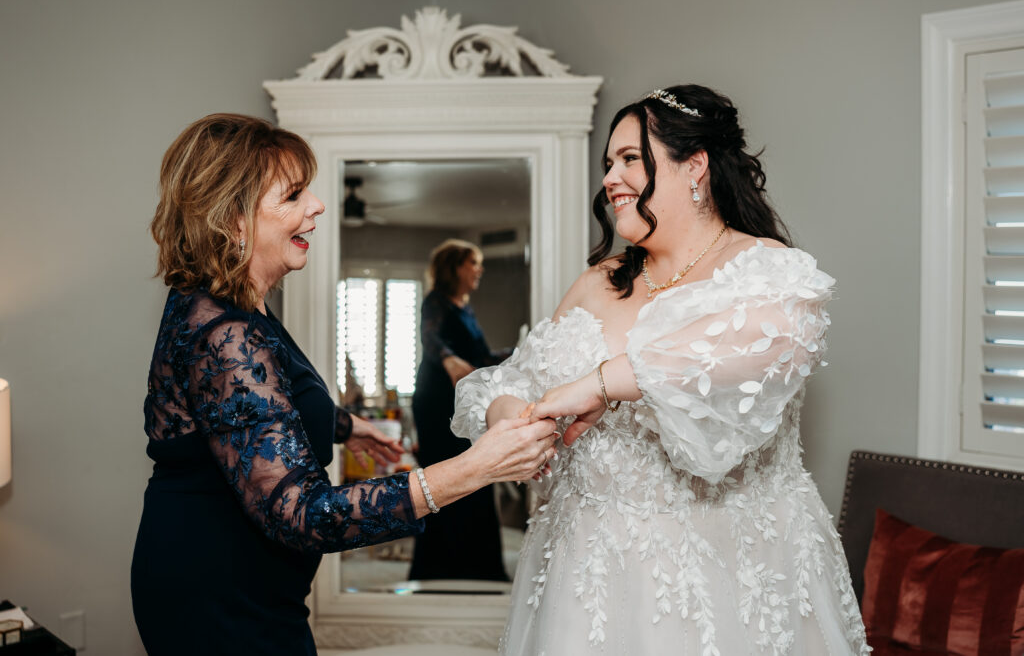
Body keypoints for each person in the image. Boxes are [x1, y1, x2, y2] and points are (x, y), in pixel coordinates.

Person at [452, 86, 870, 654]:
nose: (610, 178)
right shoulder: (600, 280)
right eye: (608, 164)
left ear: (694, 166)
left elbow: (749, 350)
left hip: (727, 572)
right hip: (586, 569)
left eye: (630, 159)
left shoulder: (768, 272)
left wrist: (597, 385)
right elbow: (514, 380)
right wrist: (515, 419)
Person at [130, 114, 558, 656]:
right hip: (219, 594)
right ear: (233, 220)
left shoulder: (235, 306)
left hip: (243, 581)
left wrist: (346, 424)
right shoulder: (224, 330)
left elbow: (246, 411)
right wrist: (476, 468)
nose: (317, 205)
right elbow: (305, 516)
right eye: (293, 194)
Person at [409, 239, 513, 581]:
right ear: (454, 268)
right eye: (473, 263)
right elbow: (432, 339)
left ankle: (477, 568)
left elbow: (481, 359)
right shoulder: (435, 302)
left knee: (477, 476)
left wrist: (520, 353)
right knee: (444, 477)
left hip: (463, 401)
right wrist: (449, 360)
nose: (479, 269)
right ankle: (438, 568)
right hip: (437, 401)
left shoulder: (465, 309)